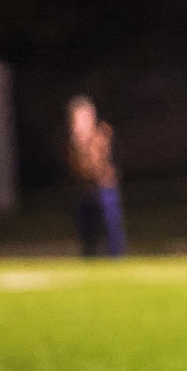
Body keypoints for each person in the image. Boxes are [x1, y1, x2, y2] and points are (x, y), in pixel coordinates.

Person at [66, 95, 126, 257]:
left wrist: (86, 141)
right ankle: (90, 254)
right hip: (85, 189)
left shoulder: (102, 133)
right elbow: (75, 166)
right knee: (87, 228)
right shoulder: (73, 140)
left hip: (104, 188)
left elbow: (99, 162)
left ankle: (116, 257)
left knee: (111, 226)